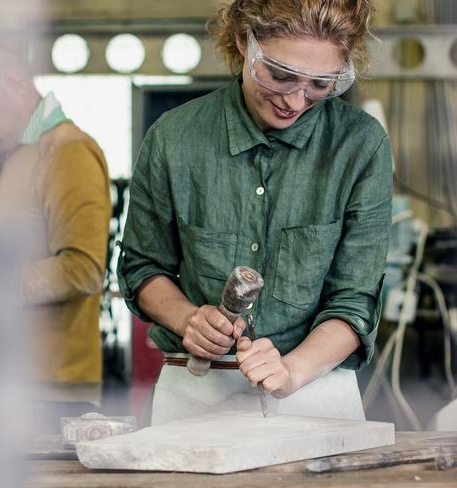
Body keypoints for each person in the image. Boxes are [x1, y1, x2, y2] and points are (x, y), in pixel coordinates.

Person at [118, 0, 391, 425]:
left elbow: (354, 301)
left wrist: (291, 371)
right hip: (196, 393)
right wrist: (188, 318)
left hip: (314, 389)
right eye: (280, 75)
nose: (296, 100)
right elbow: (142, 266)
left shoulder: (359, 145)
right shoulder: (175, 138)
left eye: (321, 83)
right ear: (245, 43)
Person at [0, 41, 111, 425]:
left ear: (11, 81)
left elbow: (84, 269)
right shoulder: (18, 156)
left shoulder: (68, 151)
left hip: (54, 395)